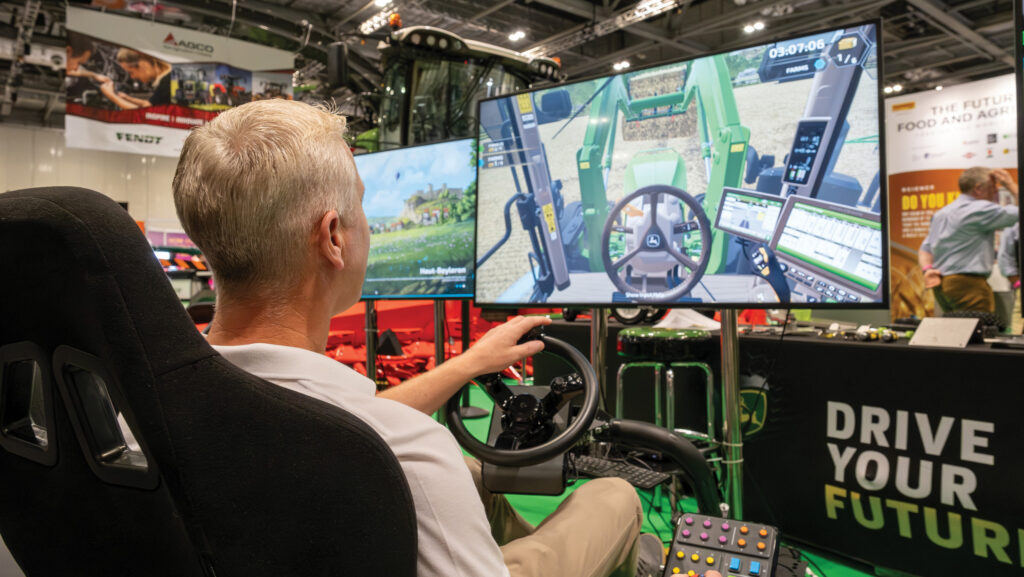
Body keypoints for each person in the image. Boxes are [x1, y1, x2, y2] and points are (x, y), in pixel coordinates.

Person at [172, 99, 661, 577]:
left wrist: (469, 364)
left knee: (473, 480)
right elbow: (373, 433)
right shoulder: (413, 454)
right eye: (361, 206)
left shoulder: (144, 407)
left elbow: (349, 419)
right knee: (611, 497)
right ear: (333, 238)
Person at [918, 167, 1019, 313]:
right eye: (993, 187)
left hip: (942, 285)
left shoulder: (942, 214)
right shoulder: (979, 209)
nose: (996, 192)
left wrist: (927, 269)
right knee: (977, 330)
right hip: (968, 284)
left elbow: (925, 249)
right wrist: (1011, 185)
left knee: (956, 332)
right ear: (978, 188)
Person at [98, 47, 172, 109]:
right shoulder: (168, 78)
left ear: (142, 65)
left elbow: (145, 115)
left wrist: (112, 96)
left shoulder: (168, 83)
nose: (132, 77)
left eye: (131, 72)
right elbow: (148, 104)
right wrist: (127, 98)